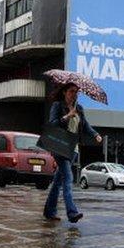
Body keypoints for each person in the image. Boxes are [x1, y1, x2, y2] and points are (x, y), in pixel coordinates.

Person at [43, 83, 102, 223]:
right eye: (71, 91)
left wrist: (95, 135)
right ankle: (72, 212)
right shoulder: (58, 106)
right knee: (68, 180)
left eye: (76, 92)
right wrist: (67, 116)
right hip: (60, 147)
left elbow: (85, 125)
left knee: (57, 182)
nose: (74, 94)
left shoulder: (79, 109)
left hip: (73, 149)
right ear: (64, 92)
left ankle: (49, 211)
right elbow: (52, 124)